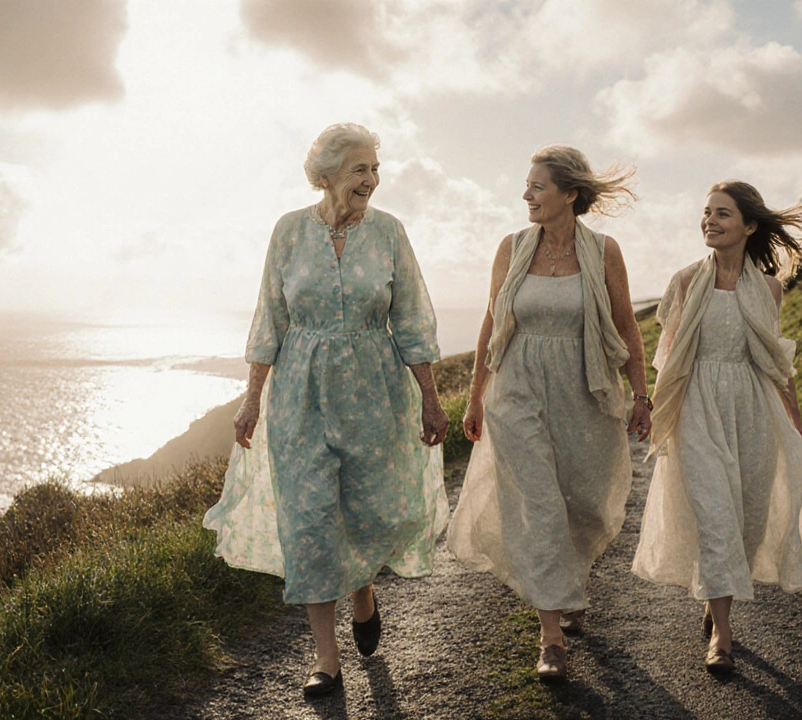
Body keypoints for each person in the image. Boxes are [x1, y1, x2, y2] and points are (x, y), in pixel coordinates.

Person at [202, 123, 449, 697]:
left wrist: (431, 399)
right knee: (309, 522)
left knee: (369, 513)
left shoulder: (390, 233)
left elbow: (411, 318)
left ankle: (362, 592)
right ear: (329, 174)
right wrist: (251, 399)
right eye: (361, 169)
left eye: (375, 169)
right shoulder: (288, 232)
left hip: (375, 393)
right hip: (300, 397)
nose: (372, 179)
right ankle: (324, 657)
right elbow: (270, 318)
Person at [447, 145, 650, 683]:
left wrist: (640, 395)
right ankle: (551, 636)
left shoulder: (603, 251)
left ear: (570, 194)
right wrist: (474, 397)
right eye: (527, 185)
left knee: (583, 500)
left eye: (537, 186)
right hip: (516, 387)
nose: (526, 195)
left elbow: (628, 327)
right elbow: (491, 324)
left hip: (583, 386)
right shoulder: (512, 247)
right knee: (537, 502)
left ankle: (570, 578)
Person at [631, 180, 802, 675]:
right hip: (699, 407)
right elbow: (670, 358)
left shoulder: (768, 288)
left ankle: (715, 601)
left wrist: (796, 420)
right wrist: (659, 410)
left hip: (753, 407)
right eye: (706, 213)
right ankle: (722, 635)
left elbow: (775, 360)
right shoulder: (683, 282)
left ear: (749, 225)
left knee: (747, 519)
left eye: (722, 214)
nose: (710, 221)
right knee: (715, 516)